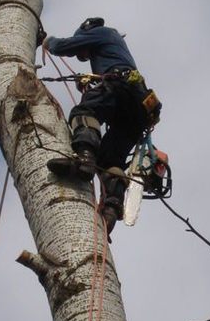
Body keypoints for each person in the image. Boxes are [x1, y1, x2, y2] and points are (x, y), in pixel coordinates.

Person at [42, 17, 161, 236]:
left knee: (84, 113)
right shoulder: (115, 46)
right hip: (139, 105)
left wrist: (48, 42)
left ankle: (85, 159)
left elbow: (63, 46)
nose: (85, 56)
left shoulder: (102, 32)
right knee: (110, 160)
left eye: (85, 52)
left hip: (119, 85)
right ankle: (112, 207)